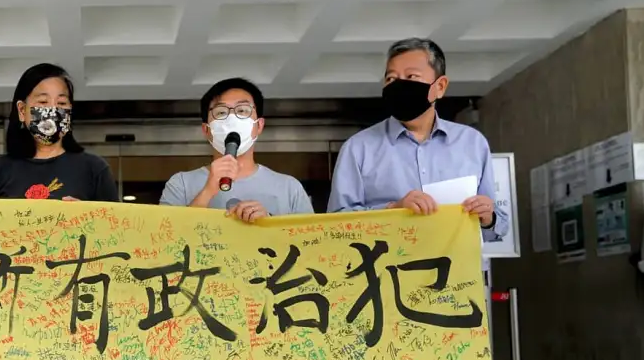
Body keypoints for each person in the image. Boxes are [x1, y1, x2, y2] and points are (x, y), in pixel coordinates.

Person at [327, 37, 508, 241]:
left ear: (440, 86)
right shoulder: (359, 148)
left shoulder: (472, 143)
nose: (398, 86)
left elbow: (496, 227)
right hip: (389, 270)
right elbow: (336, 227)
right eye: (391, 79)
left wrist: (488, 218)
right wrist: (393, 210)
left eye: (411, 76)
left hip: (459, 270)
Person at [159, 77, 313, 222]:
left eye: (242, 111)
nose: (232, 119)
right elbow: (164, 240)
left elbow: (312, 244)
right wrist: (208, 191)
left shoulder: (289, 188)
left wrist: (269, 222)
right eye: (221, 112)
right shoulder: (181, 184)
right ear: (206, 130)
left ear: (259, 125)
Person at [0, 63, 117, 202]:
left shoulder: (94, 168)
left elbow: (116, 228)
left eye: (62, 103)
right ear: (22, 110)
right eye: (43, 102)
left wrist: (86, 217)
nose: (53, 111)